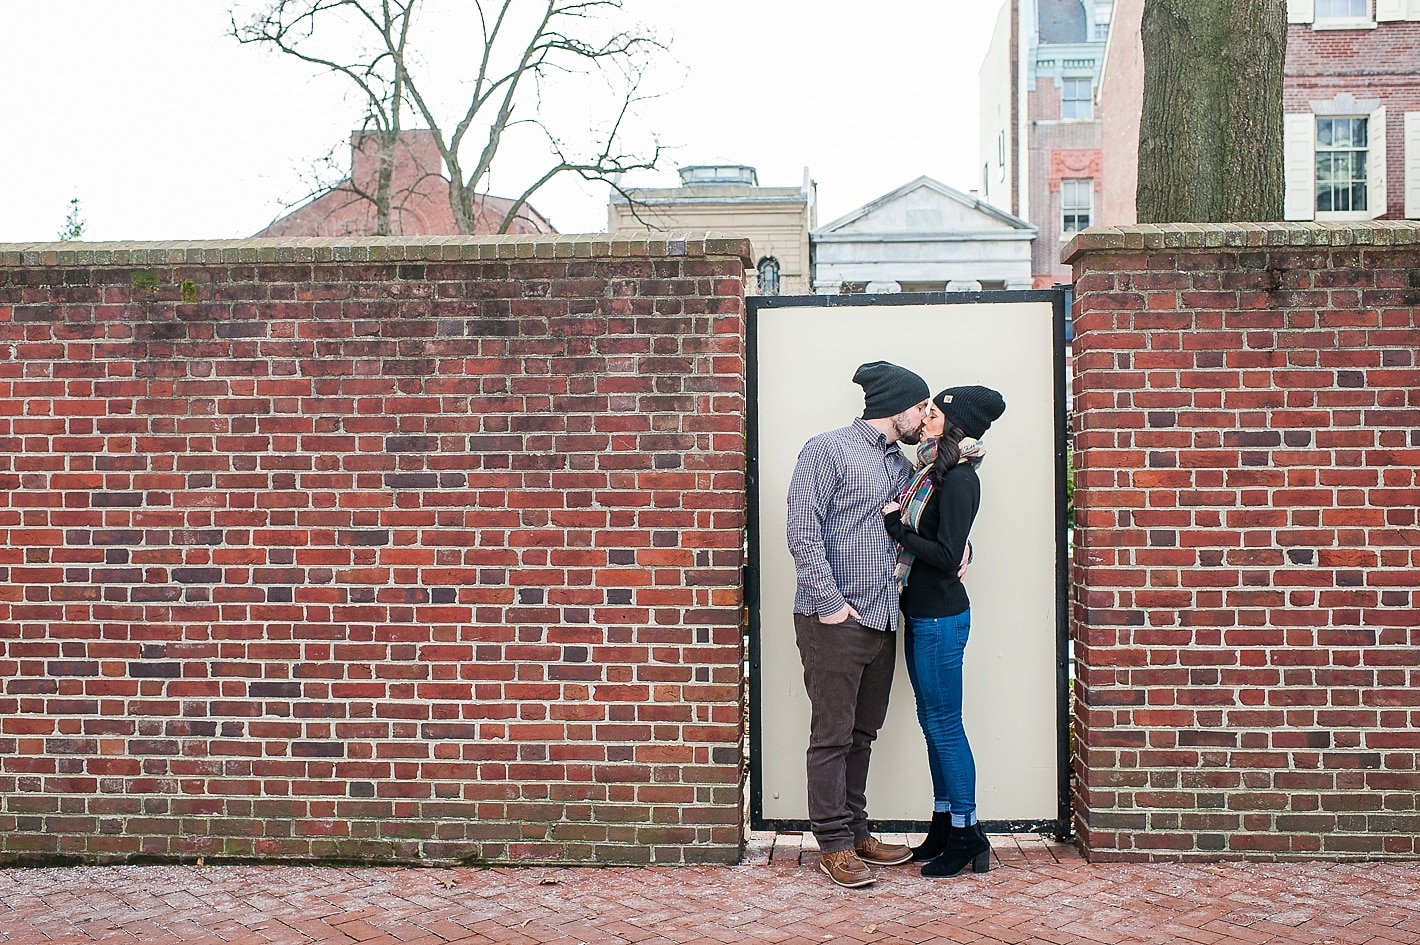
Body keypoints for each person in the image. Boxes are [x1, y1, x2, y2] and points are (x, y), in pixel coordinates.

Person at [786, 360, 931, 889]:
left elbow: (915, 524)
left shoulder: (901, 463)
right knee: (832, 733)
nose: (926, 416)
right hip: (835, 618)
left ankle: (857, 830)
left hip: (882, 617)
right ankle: (834, 843)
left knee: (863, 733)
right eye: (921, 406)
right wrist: (830, 604)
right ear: (896, 406)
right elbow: (802, 530)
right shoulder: (827, 450)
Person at [881, 385, 1006, 878]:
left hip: (939, 618)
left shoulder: (957, 480)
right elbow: (952, 540)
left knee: (944, 726)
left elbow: (946, 554)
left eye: (932, 413)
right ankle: (943, 823)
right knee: (933, 723)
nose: (924, 417)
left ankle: (967, 835)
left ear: (953, 425)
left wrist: (897, 528)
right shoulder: (932, 474)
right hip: (923, 613)